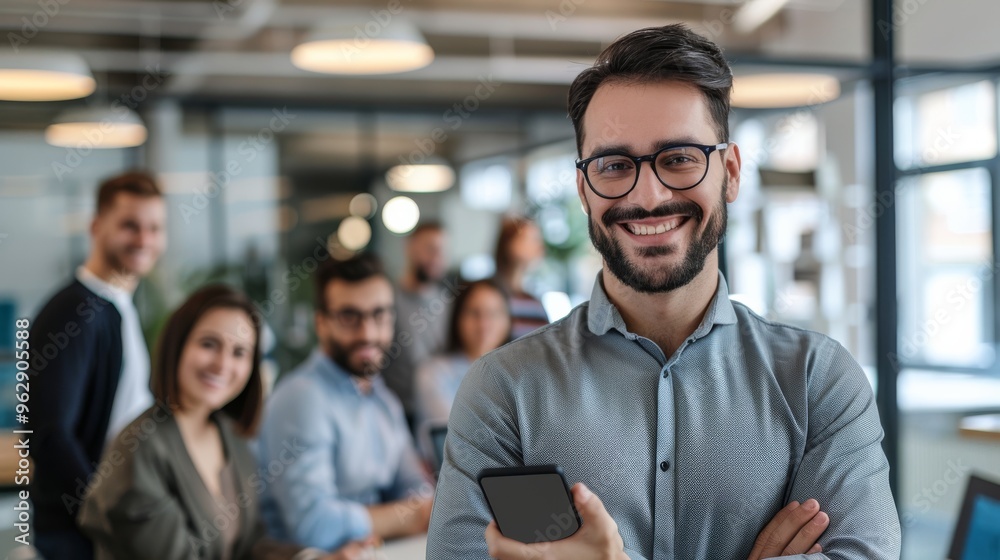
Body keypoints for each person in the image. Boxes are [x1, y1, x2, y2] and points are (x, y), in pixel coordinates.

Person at [426, 24, 901, 560]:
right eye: (614, 165)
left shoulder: (818, 381)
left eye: (679, 158)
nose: (648, 196)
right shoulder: (503, 391)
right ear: (584, 189)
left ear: (731, 173)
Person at [78, 285, 374, 559]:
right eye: (209, 344)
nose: (222, 365)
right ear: (178, 345)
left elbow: (249, 545)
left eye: (239, 352)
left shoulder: (229, 434)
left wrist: (315, 558)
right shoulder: (139, 449)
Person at [29, 171, 166, 559]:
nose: (144, 240)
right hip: (78, 539)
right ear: (95, 227)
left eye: (155, 228)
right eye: (129, 226)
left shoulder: (117, 307)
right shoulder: (75, 312)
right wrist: (100, 513)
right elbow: (50, 436)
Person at [258, 254, 434, 552]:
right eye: (349, 317)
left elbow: (416, 488)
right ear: (321, 323)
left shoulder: (382, 399)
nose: (367, 333)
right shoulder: (303, 396)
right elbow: (313, 525)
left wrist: (412, 512)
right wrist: (408, 516)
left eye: (379, 315)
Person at [413, 279, 512, 448]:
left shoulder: (515, 373)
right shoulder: (432, 372)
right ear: (457, 318)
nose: (484, 324)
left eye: (493, 313)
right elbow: (455, 438)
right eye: (474, 313)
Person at [379, 222, 458, 429]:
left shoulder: (450, 305)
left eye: (442, 251)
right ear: (410, 248)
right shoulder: (387, 301)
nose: (437, 258)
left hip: (438, 415)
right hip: (395, 415)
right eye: (430, 249)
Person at [493, 215, 549, 338]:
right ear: (509, 243)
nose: (540, 247)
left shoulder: (533, 303)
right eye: (532, 239)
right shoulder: (485, 296)